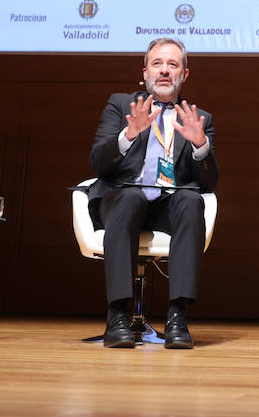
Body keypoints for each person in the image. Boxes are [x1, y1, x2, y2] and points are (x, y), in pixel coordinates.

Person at [86, 37, 218, 349]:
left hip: (167, 203)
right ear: (144, 72)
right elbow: (98, 163)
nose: (164, 71)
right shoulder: (121, 105)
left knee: (190, 198)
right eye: (157, 63)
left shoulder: (199, 119)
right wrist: (128, 135)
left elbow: (210, 181)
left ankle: (177, 317)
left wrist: (200, 146)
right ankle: (117, 315)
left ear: (184, 75)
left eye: (173, 65)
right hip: (121, 197)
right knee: (131, 197)